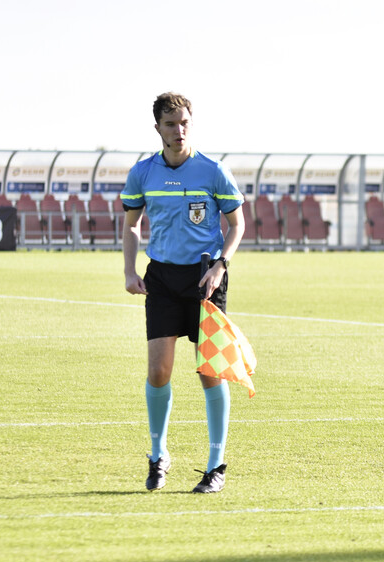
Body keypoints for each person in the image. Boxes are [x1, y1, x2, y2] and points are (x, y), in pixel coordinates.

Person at [122, 92, 246, 494]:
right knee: (158, 370)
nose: (179, 131)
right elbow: (131, 224)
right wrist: (129, 270)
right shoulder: (143, 173)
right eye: (171, 124)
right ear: (157, 127)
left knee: (211, 372)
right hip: (161, 278)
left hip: (204, 279)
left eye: (185, 123)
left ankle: (216, 465)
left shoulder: (213, 171)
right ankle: (158, 456)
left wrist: (220, 265)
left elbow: (236, 224)